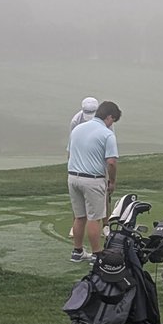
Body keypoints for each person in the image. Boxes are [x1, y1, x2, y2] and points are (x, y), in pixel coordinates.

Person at [67, 101, 121, 260]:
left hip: (73, 177)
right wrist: (112, 181)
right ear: (109, 117)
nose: (112, 124)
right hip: (93, 180)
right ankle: (97, 254)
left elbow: (69, 154)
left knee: (79, 217)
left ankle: (77, 252)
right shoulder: (107, 134)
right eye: (113, 120)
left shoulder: (77, 129)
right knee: (94, 218)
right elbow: (111, 162)